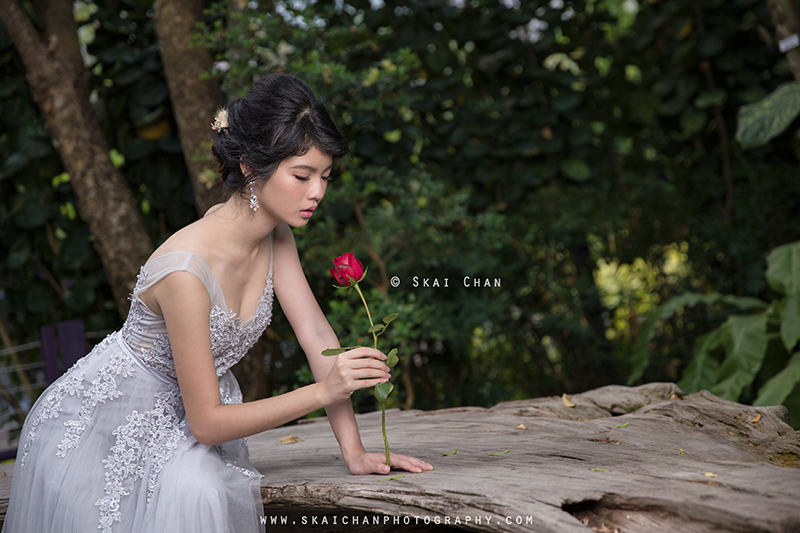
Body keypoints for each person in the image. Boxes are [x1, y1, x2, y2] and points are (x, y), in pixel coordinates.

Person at [2, 72, 432, 533]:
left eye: (325, 176)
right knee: (200, 490)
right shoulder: (185, 270)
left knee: (198, 486)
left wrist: (354, 452)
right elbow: (206, 423)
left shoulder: (276, 235)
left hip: (187, 419)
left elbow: (316, 336)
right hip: (105, 428)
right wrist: (323, 391)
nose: (318, 193)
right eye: (302, 175)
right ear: (250, 167)